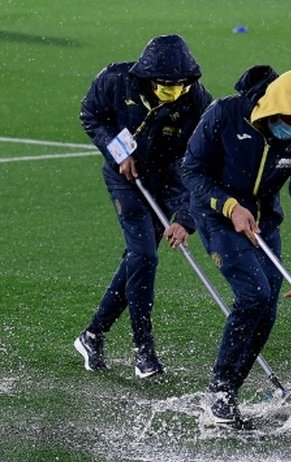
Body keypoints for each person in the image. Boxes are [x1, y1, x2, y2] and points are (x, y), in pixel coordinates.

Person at [181, 66, 291, 429]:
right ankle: (220, 392)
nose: (290, 128)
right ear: (269, 105)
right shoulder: (225, 113)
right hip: (217, 214)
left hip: (263, 220)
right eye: (286, 119)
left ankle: (231, 390)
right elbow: (191, 170)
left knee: (268, 308)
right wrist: (229, 206)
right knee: (253, 294)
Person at [75, 34, 212, 377]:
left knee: (137, 260)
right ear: (148, 76)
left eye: (179, 84)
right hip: (127, 179)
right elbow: (91, 115)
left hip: (168, 181)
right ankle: (143, 350)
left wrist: (185, 219)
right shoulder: (116, 80)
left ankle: (92, 335)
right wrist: (118, 152)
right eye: (166, 84)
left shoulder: (197, 102)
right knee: (145, 256)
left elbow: (202, 165)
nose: (173, 90)